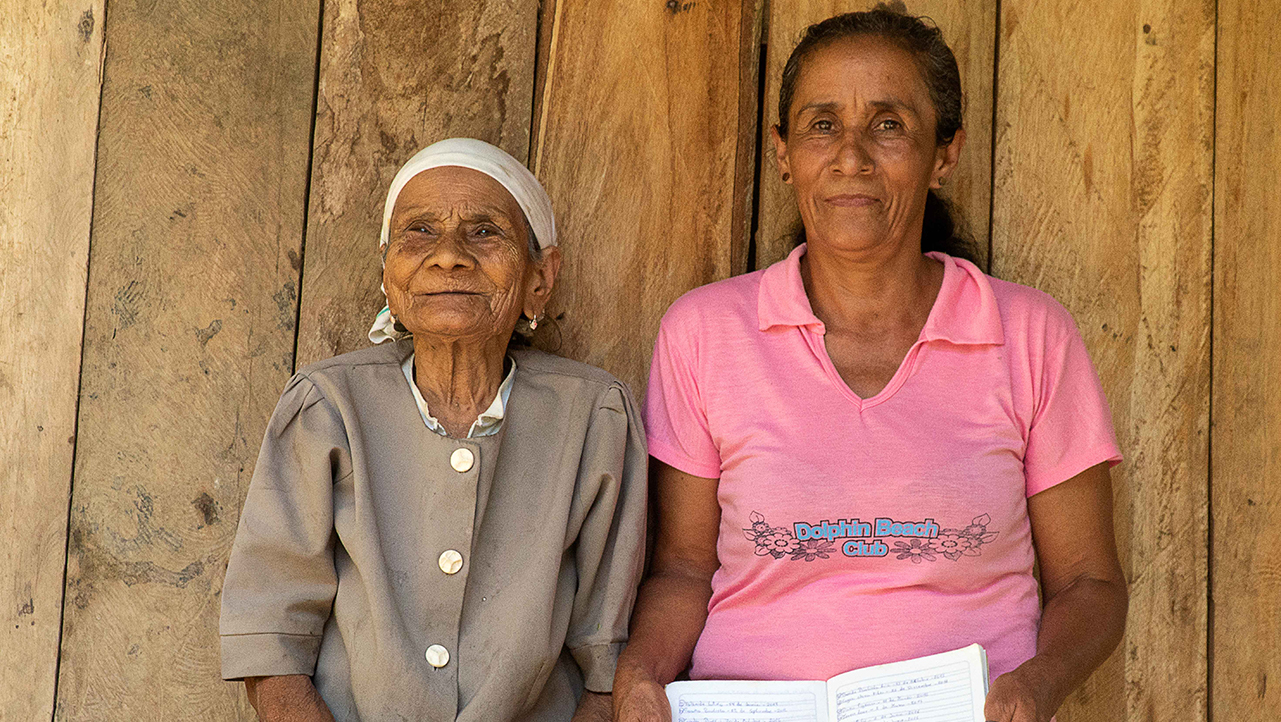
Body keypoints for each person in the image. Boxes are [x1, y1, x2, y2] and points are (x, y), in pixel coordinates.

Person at [612, 8, 1128, 722]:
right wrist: (637, 677)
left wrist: (1035, 685)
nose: (850, 156)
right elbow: (681, 568)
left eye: (887, 124)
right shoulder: (705, 333)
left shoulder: (1027, 334)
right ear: (783, 150)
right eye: (822, 124)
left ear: (943, 155)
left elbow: (1089, 582)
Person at [220, 138, 647, 722]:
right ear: (388, 271)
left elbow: (607, 663)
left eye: (484, 232)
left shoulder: (594, 417)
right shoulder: (327, 406)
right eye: (419, 232)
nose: (448, 256)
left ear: (540, 278)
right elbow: (271, 635)